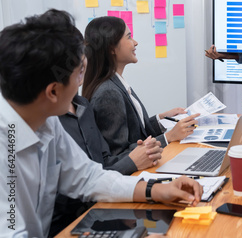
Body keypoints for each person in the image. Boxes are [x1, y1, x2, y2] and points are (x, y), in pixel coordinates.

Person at [0, 9, 201, 238]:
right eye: (79, 75)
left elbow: (88, 177)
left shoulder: (46, 122)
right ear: (53, 92)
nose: (81, 84)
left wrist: (156, 190)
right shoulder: (7, 144)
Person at [50, 58, 163, 236]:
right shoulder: (49, 121)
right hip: (72, 223)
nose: (83, 78)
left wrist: (156, 189)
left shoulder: (82, 106)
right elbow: (76, 187)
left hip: (97, 214)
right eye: (79, 70)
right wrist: (133, 163)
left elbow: (93, 173)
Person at [82, 16, 199, 156]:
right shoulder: (108, 92)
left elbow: (136, 133)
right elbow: (119, 155)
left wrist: (162, 119)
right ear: (111, 48)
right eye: (129, 37)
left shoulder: (115, 82)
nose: (135, 43)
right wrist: (169, 137)